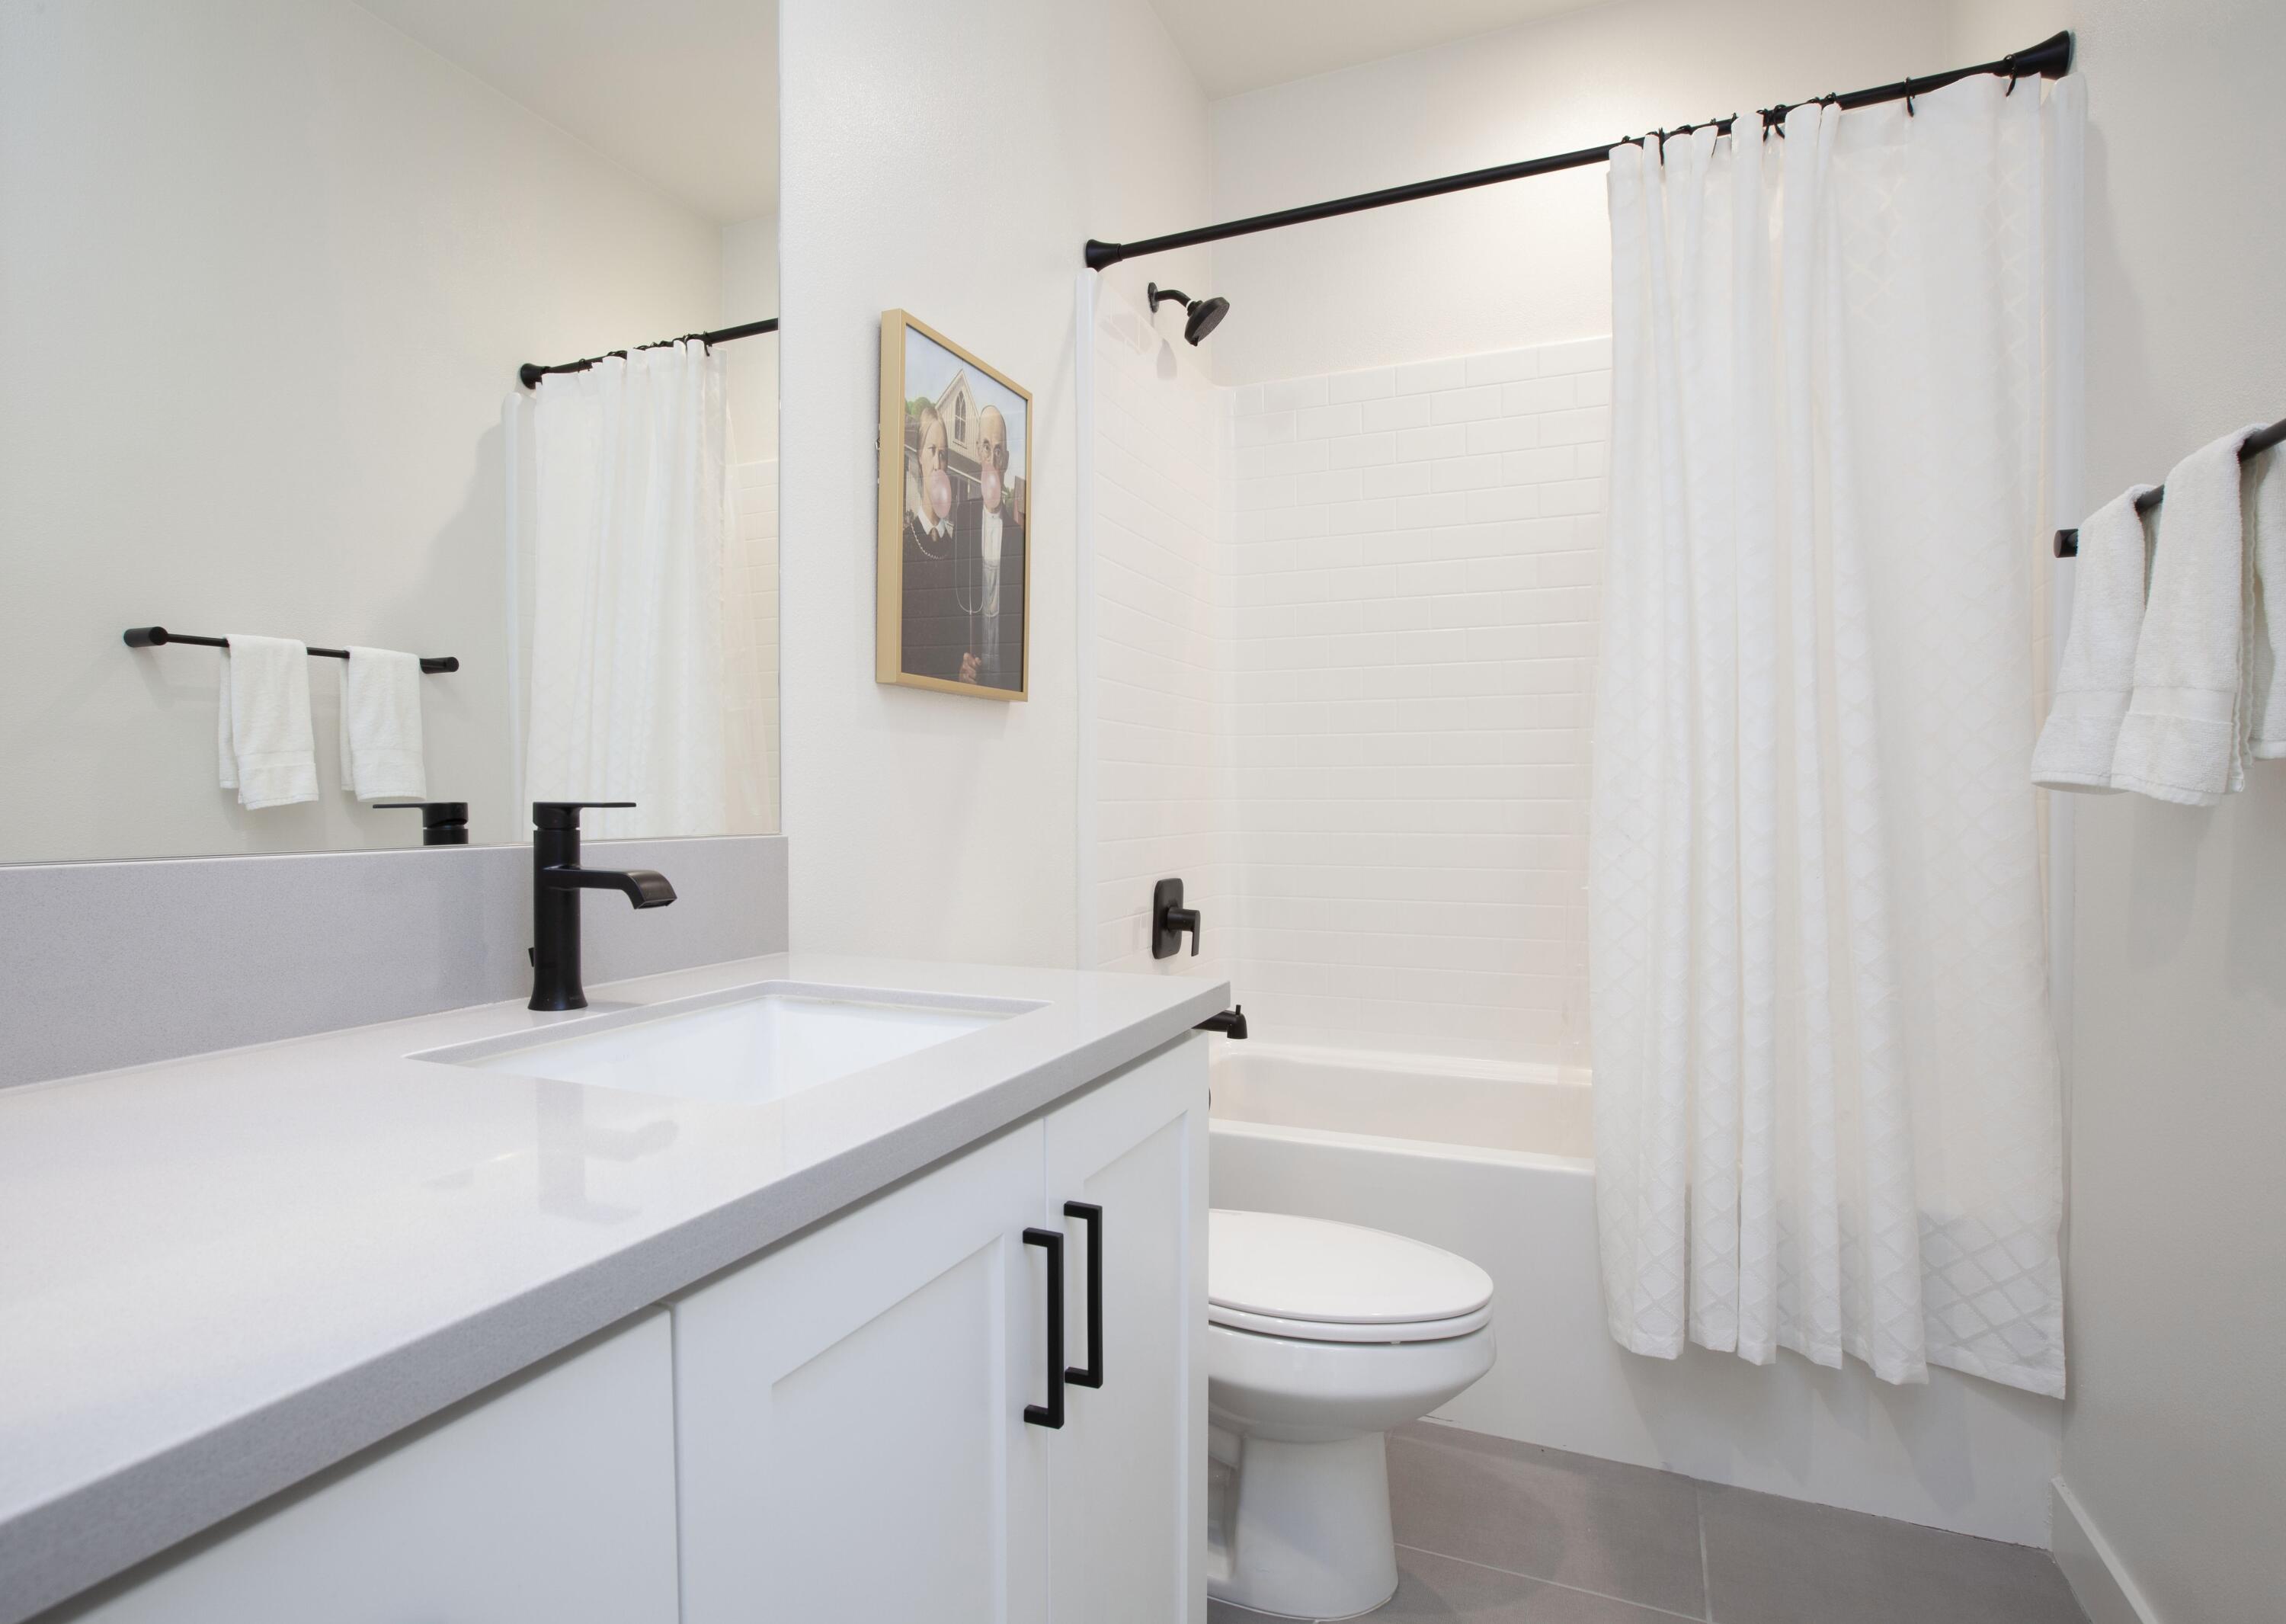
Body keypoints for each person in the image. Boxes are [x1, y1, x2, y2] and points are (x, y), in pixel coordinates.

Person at [952, 403, 1024, 688]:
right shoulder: (964, 519)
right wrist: (960, 663)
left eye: (998, 450)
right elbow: (953, 603)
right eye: (986, 447)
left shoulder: (1018, 538)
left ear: (1006, 459)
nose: (992, 460)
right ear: (977, 451)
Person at [900, 403, 963, 681]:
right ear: (919, 457)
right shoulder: (904, 545)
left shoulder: (957, 550)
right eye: (932, 451)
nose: (938, 463)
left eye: (943, 454)